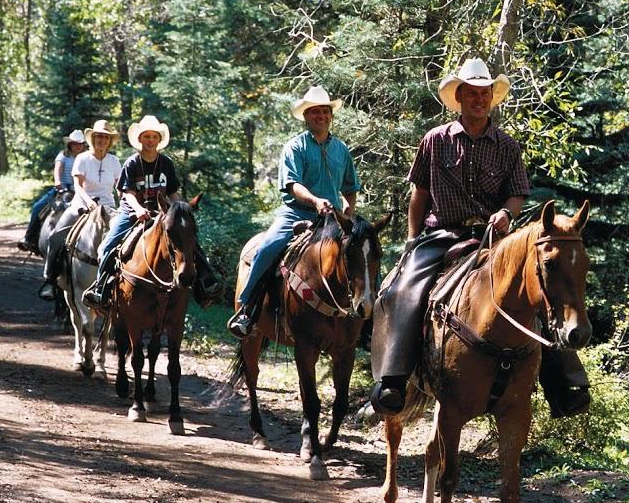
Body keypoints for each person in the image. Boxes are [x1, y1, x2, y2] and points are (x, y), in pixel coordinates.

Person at [369, 57, 591, 419]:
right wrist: (412, 241)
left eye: (485, 93)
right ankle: (393, 380)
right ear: (459, 96)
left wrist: (507, 212)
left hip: (494, 237)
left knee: (536, 287)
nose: (479, 99)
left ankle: (563, 383)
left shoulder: (506, 145)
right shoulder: (435, 140)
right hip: (442, 233)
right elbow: (419, 195)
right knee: (405, 289)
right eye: (471, 93)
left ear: (492, 97)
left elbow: (518, 191)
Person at [227, 86, 362, 339]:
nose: (320, 116)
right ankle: (248, 309)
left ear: (330, 115)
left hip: (332, 219)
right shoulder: (295, 146)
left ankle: (364, 317)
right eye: (314, 112)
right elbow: (293, 184)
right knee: (268, 248)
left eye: (324, 111)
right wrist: (315, 200)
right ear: (306, 116)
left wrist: (348, 210)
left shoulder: (341, 149)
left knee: (362, 252)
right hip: (295, 214)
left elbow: (350, 186)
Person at [81, 115, 224, 310]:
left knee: (189, 242)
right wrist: (139, 209)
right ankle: (101, 289)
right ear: (139, 139)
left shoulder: (166, 163)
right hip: (132, 213)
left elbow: (172, 192)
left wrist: (182, 209)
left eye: (154, 137)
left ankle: (205, 286)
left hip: (162, 213)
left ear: (159, 140)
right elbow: (127, 192)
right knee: (109, 244)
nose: (150, 140)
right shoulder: (132, 163)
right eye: (146, 136)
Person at [39, 119, 123, 301]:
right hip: (81, 205)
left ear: (110, 141)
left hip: (108, 208)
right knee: (56, 236)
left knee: (126, 238)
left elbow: (119, 186)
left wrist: (124, 202)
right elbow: (78, 185)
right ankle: (50, 280)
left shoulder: (114, 161)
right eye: (98, 136)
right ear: (93, 139)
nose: (102, 140)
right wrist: (88, 202)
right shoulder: (82, 158)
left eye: (106, 137)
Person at [17, 129, 88, 253]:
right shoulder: (63, 155)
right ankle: (29, 238)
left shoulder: (86, 157)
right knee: (37, 207)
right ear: (70, 144)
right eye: (75, 143)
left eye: (80, 144)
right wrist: (58, 183)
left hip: (81, 191)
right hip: (63, 189)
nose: (78, 146)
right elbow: (57, 170)